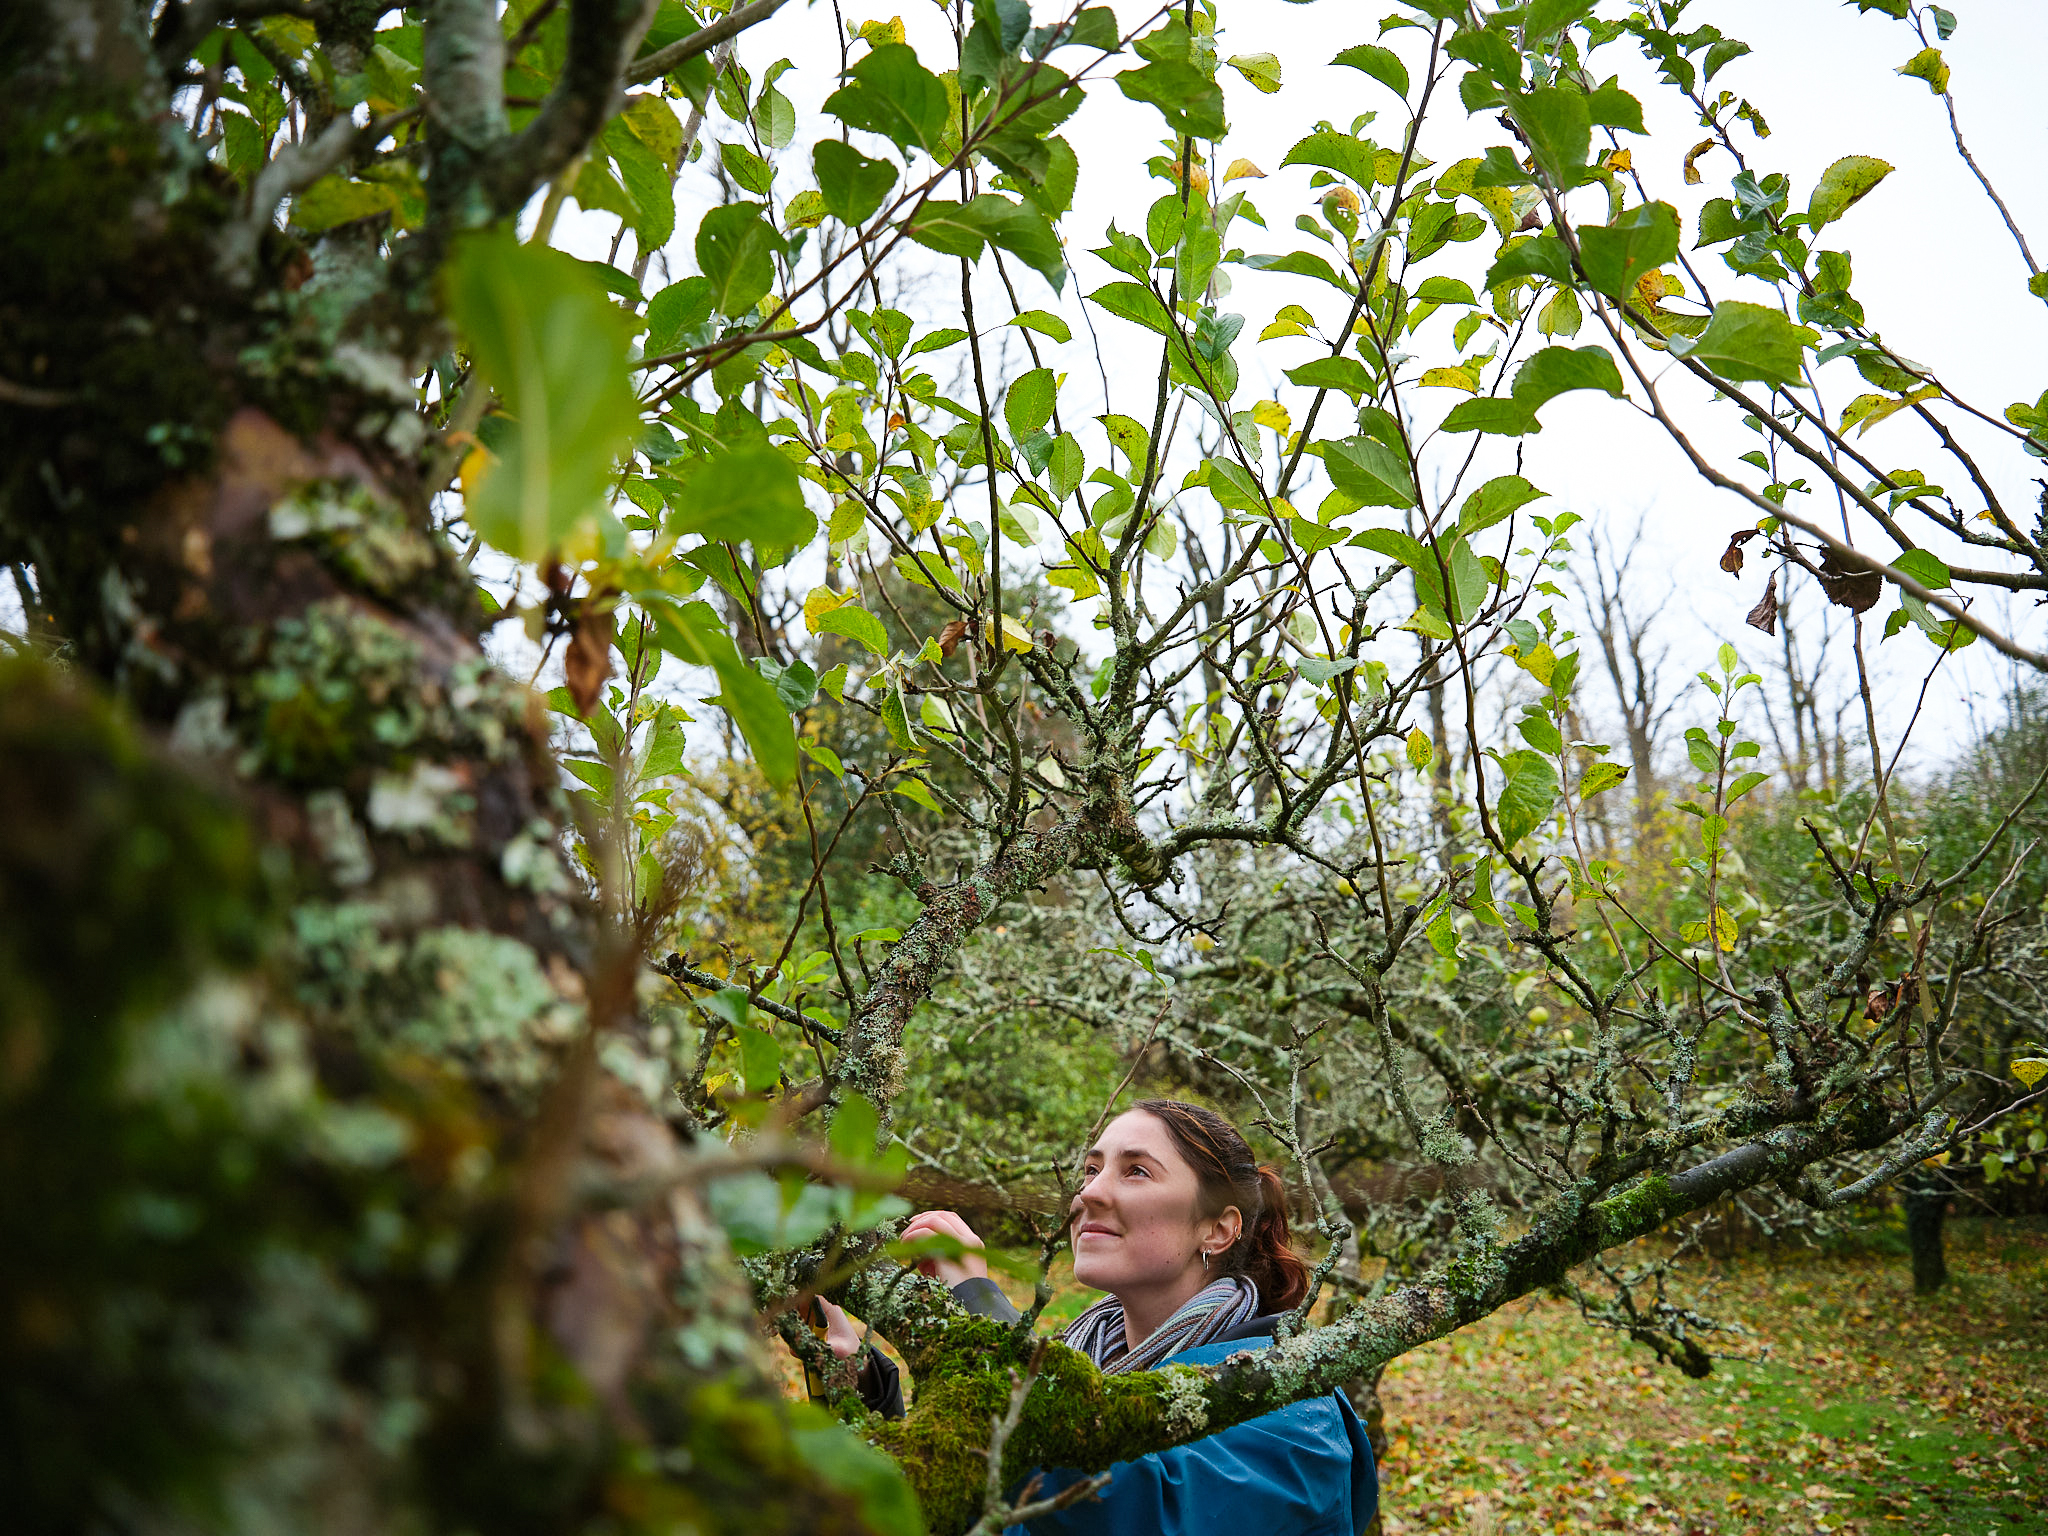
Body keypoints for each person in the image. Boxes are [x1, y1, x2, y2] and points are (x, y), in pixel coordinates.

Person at [814, 1098, 1377, 1535]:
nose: (1089, 1194)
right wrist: (860, 1385)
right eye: (1091, 1169)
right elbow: (967, 1509)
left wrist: (981, 1306)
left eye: (1136, 1172)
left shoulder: (1292, 1412)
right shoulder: (1085, 1363)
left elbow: (1138, 1516)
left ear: (1218, 1228)